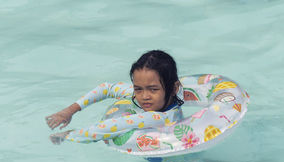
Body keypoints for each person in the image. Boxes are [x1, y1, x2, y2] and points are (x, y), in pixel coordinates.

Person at [45, 50, 184, 145]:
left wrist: (68, 135)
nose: (144, 96)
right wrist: (70, 111)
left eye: (153, 89)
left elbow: (108, 128)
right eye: (138, 89)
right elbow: (106, 88)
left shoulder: (159, 117)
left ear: (174, 88)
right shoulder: (144, 94)